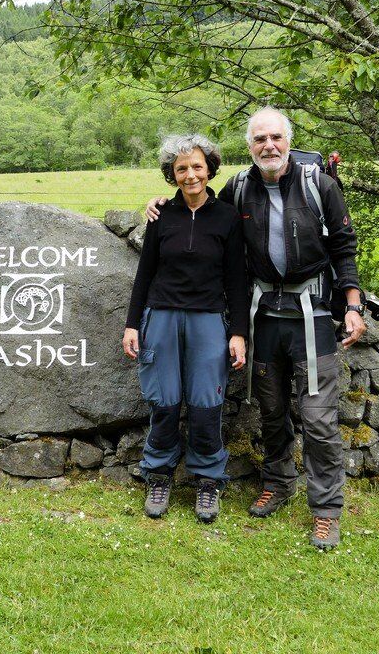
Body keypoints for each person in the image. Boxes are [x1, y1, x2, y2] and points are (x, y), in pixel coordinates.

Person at [146, 108, 366, 550]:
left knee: (318, 417)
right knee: (270, 410)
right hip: (264, 314)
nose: (269, 145)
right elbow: (201, 211)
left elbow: (343, 245)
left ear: (289, 141)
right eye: (260, 139)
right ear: (249, 147)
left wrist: (353, 303)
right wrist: (157, 205)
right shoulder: (239, 188)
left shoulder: (318, 184)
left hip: (314, 315)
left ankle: (325, 511)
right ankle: (279, 482)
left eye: (276, 137)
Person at [123, 133, 248, 524]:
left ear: (210, 169)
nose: (190, 174)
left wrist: (238, 332)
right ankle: (158, 474)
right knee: (163, 400)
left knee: (206, 402)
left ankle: (208, 481)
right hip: (160, 317)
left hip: (208, 320)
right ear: (171, 175)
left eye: (197, 166)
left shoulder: (227, 217)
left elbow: (237, 280)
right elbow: (145, 274)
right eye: (181, 168)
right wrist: (132, 324)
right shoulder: (162, 216)